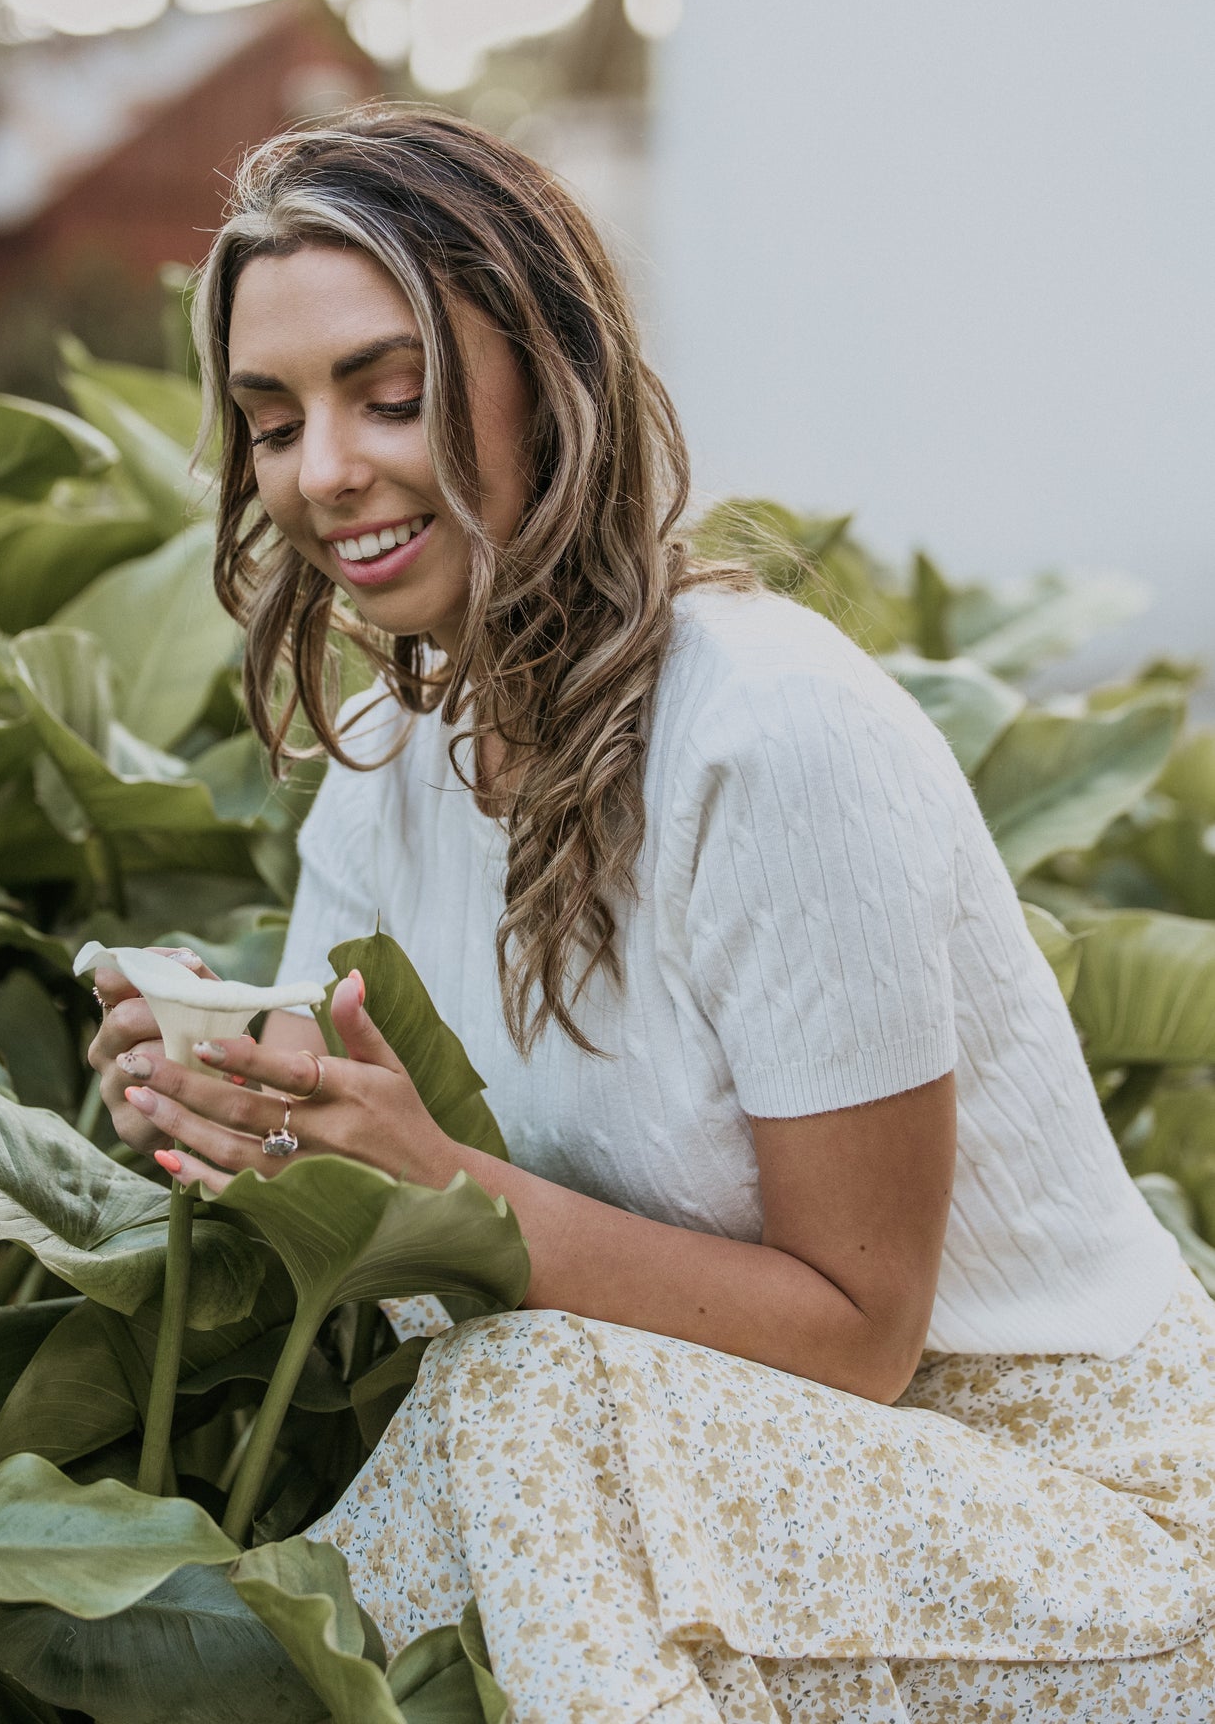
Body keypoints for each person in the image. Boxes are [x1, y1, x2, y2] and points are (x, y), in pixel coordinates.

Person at [89, 106, 1215, 1722]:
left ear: (546, 371)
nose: (322, 472)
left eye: (387, 396)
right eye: (272, 424)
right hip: (700, 1500)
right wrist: (242, 1099)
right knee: (498, 1426)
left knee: (522, 1409)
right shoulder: (390, 771)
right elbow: (379, 1203)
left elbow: (858, 1339)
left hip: (1074, 1530)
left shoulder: (768, 732)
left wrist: (447, 1182)